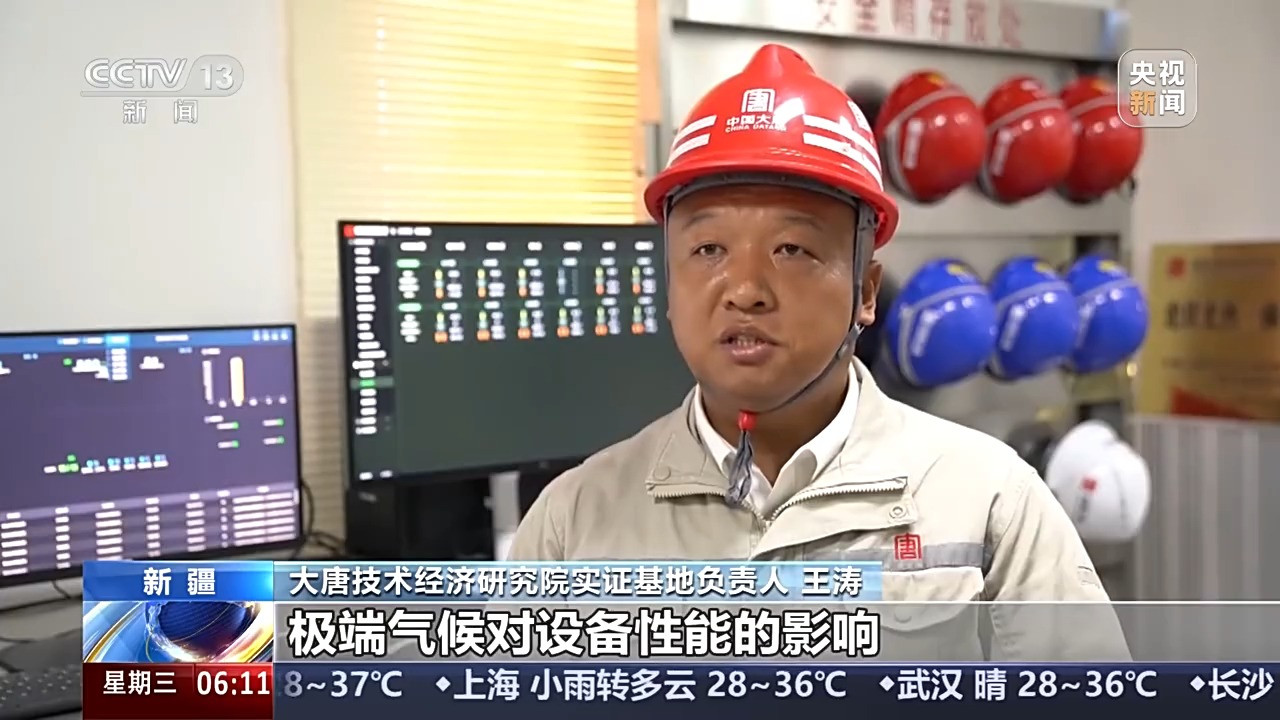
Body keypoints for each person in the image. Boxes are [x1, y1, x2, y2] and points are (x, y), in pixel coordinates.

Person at [507, 44, 1128, 660]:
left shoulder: (987, 502)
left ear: (865, 291)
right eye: (708, 250)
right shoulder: (574, 522)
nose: (744, 290)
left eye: (792, 250)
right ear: (669, 284)